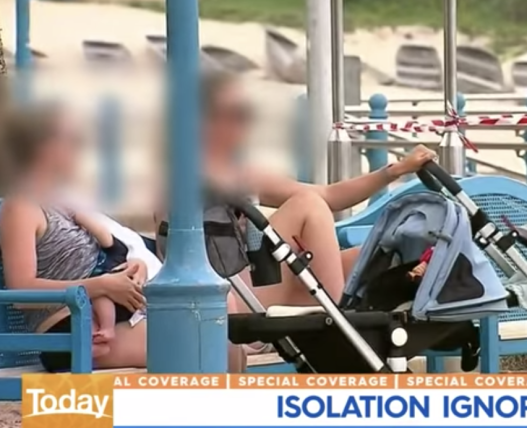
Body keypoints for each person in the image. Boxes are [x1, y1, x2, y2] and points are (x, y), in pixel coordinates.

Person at [155, 71, 436, 314]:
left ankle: (378, 325)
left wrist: (394, 171)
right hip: (222, 301)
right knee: (307, 206)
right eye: (235, 115)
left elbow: (331, 195)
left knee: (371, 255)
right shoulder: (178, 176)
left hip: (257, 286)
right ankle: (341, 325)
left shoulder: (238, 173)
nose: (243, 124)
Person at [0, 103, 247, 372]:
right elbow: (21, 291)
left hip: (108, 316)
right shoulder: (21, 206)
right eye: (72, 141)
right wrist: (102, 285)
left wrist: (133, 267)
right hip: (71, 332)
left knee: (223, 314)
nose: (79, 151)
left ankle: (218, 411)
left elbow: (108, 249)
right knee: (211, 346)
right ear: (44, 148)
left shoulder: (66, 202)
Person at [70, 208, 134, 357]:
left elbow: (108, 241)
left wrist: (80, 216)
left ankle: (106, 328)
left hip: (112, 269)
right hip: (100, 279)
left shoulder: (111, 249)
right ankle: (100, 334)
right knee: (96, 295)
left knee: (100, 293)